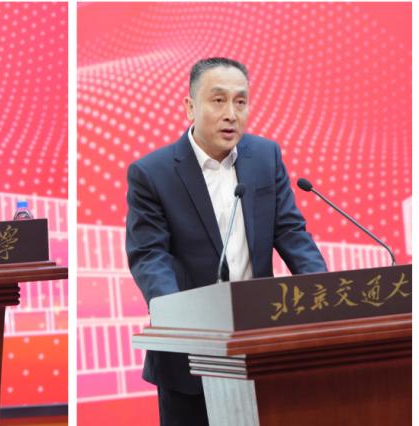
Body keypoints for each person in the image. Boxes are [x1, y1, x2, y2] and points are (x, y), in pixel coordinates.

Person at [125, 57, 328, 426]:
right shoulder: (152, 173)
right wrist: (175, 314)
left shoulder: (265, 156)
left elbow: (290, 232)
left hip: (262, 341)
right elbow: (149, 255)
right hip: (191, 353)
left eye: (240, 101)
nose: (231, 114)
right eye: (218, 100)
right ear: (190, 107)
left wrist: (322, 292)